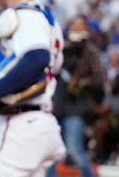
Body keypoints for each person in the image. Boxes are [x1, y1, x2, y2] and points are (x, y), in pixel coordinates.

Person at [0, 0, 67, 176]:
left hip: (19, 127)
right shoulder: (46, 18)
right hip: (41, 123)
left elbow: (36, 58)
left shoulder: (24, 15)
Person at [47, 15, 105, 177]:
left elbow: (100, 79)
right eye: (74, 27)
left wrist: (81, 82)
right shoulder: (61, 48)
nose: (77, 30)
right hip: (56, 106)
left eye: (81, 27)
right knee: (51, 152)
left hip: (77, 107)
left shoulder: (91, 51)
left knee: (74, 149)